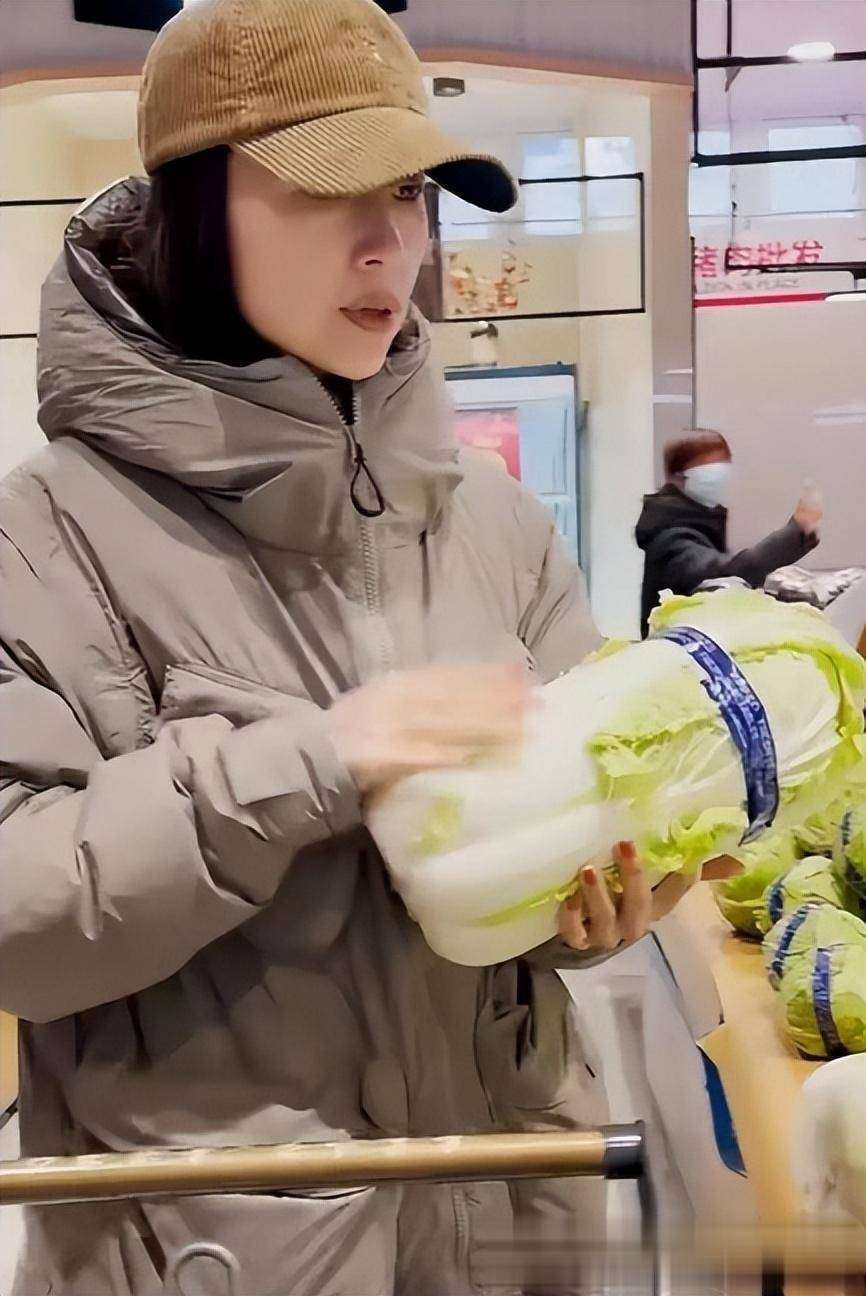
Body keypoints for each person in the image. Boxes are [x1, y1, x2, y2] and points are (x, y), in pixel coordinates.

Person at [0, 2, 735, 1291]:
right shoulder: (44, 537)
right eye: (326, 189)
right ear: (193, 208)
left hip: (511, 1228)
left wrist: (590, 904)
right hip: (211, 1252)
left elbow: (552, 917)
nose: (390, 241)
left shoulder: (497, 523)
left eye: (407, 190)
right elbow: (20, 925)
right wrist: (316, 761)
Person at [636, 428, 822, 637]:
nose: (721, 478)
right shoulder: (670, 537)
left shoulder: (701, 520)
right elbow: (727, 572)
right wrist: (796, 533)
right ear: (677, 477)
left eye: (725, 467)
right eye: (710, 470)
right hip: (680, 652)